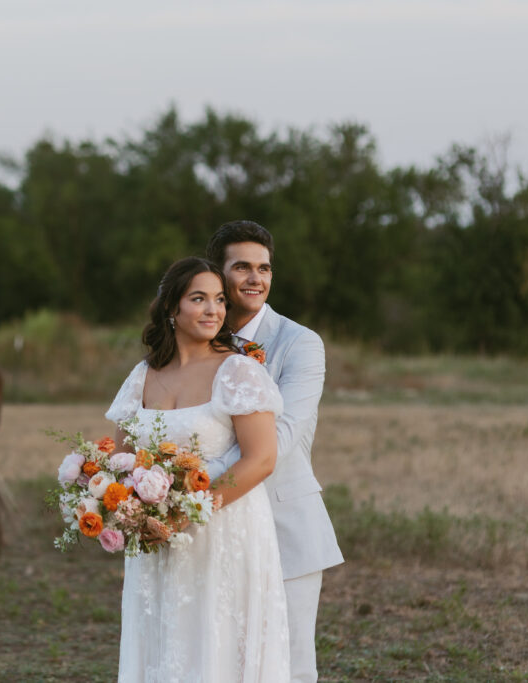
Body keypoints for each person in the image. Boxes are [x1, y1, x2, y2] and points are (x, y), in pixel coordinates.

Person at [108, 257, 290, 682]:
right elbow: (120, 459)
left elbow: (261, 458)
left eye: (220, 300)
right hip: (158, 542)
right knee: (162, 641)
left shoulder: (238, 370)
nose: (214, 310)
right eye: (199, 299)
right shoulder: (142, 376)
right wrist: (134, 512)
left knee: (219, 642)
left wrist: (187, 510)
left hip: (224, 531)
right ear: (171, 308)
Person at [205, 220, 344, 683]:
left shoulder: (299, 344)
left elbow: (279, 441)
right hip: (213, 533)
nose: (255, 278)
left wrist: (192, 487)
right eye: (241, 266)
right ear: (216, 273)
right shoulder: (195, 341)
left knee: (287, 665)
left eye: (264, 267)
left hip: (285, 529)